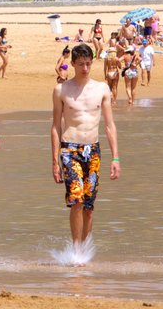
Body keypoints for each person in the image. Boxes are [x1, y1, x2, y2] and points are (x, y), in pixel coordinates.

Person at [51, 43, 120, 251]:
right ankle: (76, 250)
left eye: (89, 64)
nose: (85, 69)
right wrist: (55, 161)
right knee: (76, 200)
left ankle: (85, 250)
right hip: (70, 149)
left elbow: (109, 125)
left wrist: (116, 158)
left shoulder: (101, 89)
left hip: (93, 150)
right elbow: (55, 126)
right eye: (81, 64)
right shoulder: (61, 90)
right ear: (72, 64)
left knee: (89, 207)